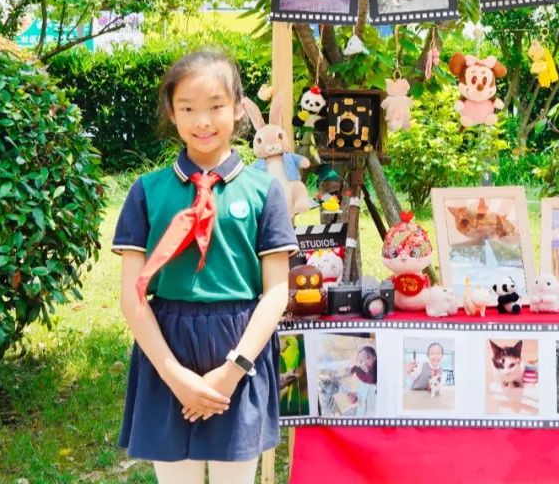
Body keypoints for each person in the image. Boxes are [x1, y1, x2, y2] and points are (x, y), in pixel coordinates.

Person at [112, 49, 298, 484]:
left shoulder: (264, 192)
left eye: (215, 106)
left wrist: (232, 372)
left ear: (238, 108)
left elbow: (275, 292)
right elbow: (131, 295)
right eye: (187, 109)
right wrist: (174, 376)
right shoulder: (146, 191)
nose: (203, 121)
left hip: (240, 348)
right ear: (171, 113)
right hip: (166, 348)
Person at [341, 345, 378, 415]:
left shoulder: (379, 376)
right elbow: (361, 394)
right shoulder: (363, 379)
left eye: (368, 358)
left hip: (375, 416)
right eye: (361, 361)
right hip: (362, 416)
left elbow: (372, 379)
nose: (364, 363)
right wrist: (354, 397)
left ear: (375, 357)